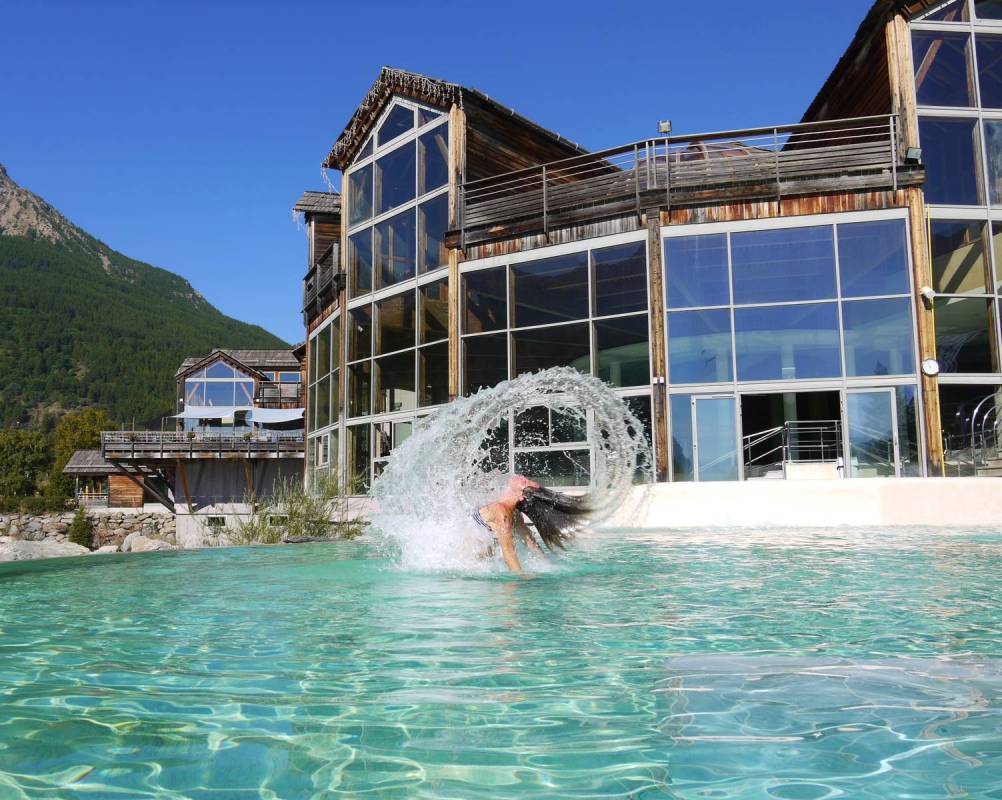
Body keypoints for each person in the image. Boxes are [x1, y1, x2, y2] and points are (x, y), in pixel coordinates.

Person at [473, 475, 590, 573]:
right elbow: (529, 540)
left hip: (471, 556)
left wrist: (520, 579)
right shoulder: (511, 513)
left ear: (521, 496)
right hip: (479, 552)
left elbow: (509, 553)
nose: (524, 477)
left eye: (525, 482)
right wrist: (547, 563)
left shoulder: (502, 514)